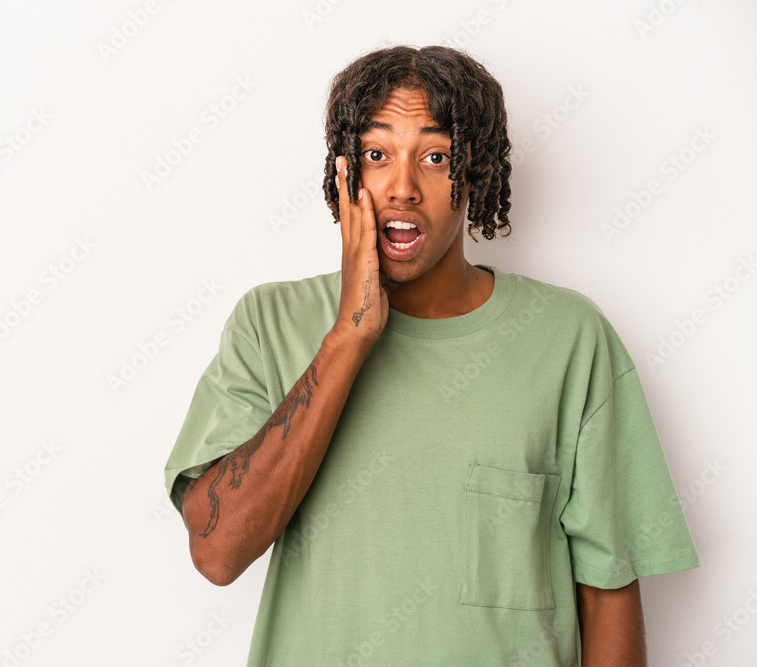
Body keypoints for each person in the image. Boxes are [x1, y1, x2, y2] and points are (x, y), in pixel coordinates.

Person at [162, 44, 700, 666]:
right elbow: (216, 550)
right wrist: (349, 337)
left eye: (436, 156)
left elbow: (609, 592)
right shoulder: (269, 323)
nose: (403, 188)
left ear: (476, 173)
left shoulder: (569, 339)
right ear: (346, 173)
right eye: (377, 154)